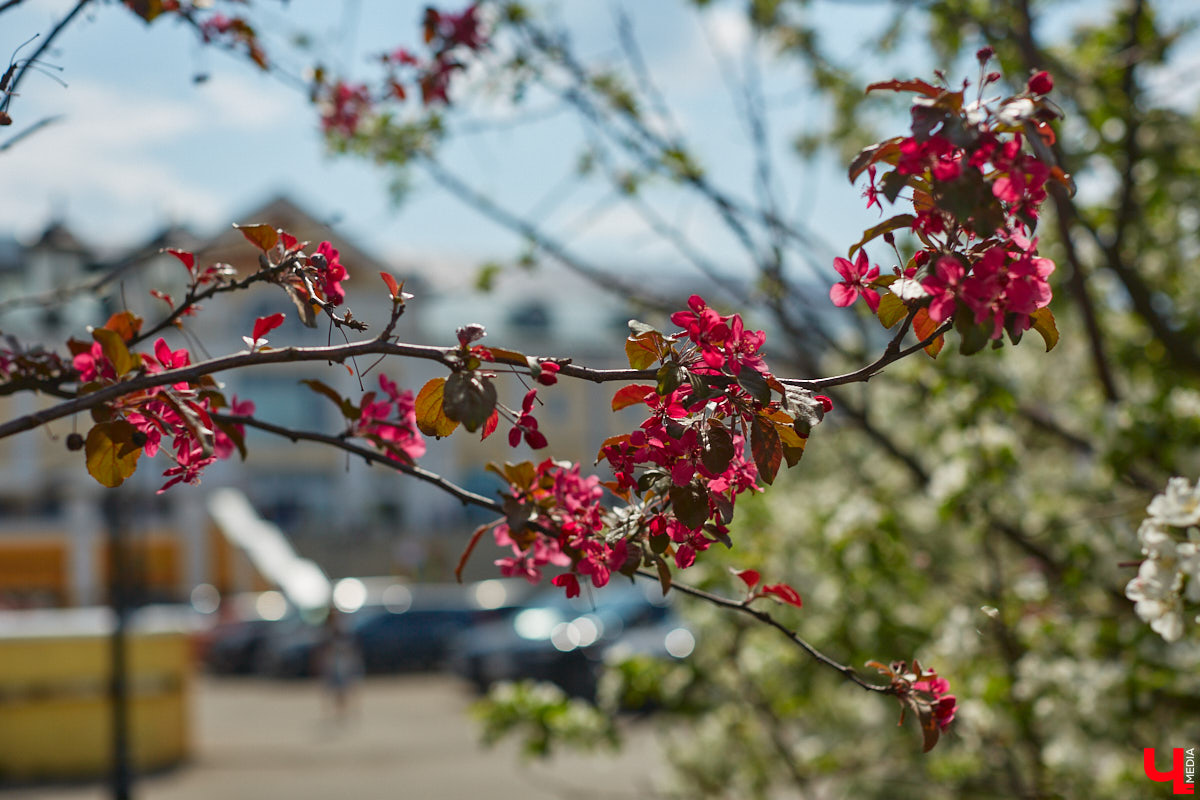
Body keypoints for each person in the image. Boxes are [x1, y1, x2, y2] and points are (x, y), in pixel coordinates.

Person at [318, 608, 362, 723]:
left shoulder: (342, 628)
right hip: (332, 660)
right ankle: (338, 709)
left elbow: (349, 644)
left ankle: (343, 709)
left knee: (343, 685)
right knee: (335, 686)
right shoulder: (327, 630)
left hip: (341, 660)